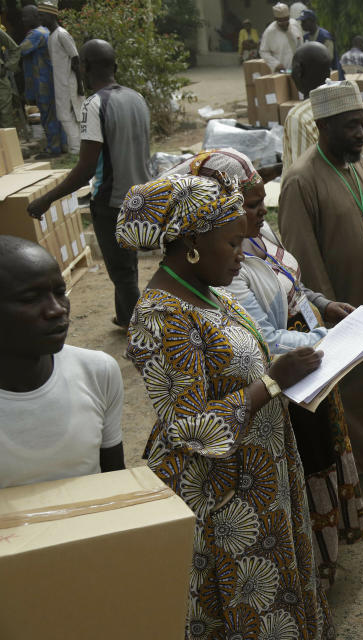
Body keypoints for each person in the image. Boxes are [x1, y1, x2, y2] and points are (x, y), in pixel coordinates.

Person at [118, 173, 335, 639]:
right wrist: (272, 384)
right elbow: (191, 426)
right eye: (233, 243)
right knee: (241, 602)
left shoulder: (210, 293)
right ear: (193, 242)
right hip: (221, 495)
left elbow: (240, 365)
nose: (243, 254)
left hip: (259, 474)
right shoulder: (161, 316)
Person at [164, 149, 363, 587]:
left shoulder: (246, 237)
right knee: (307, 464)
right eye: (248, 206)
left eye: (260, 204)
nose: (257, 215)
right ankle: (310, 571)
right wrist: (321, 345)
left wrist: (319, 304)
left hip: (302, 361)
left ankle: (320, 568)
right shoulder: (207, 283)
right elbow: (262, 343)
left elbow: (285, 277)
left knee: (320, 457)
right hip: (289, 369)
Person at [279, 81, 363, 474]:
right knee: (354, 384)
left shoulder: (355, 165)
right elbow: (303, 261)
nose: (360, 134)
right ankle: (360, 462)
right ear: (324, 125)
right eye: (351, 126)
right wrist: (327, 314)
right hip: (342, 305)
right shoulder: (301, 180)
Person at [27, 39, 149, 330]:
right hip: (143, 197)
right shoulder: (137, 98)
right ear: (115, 66)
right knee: (128, 267)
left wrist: (46, 199)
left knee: (122, 274)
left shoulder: (94, 105)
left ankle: (141, 337)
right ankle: (124, 318)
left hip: (112, 202)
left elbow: (85, 170)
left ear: (84, 67)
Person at [0, 235, 124, 489]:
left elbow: (115, 483)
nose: (57, 309)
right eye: (30, 299)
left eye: (59, 292)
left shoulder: (97, 372)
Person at [38, 1, 81, 155]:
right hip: (59, 83)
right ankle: (76, 148)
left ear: (51, 15)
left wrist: (80, 86)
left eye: (42, 16)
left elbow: (75, 59)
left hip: (69, 82)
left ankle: (77, 150)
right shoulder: (51, 37)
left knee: (70, 116)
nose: (40, 19)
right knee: (65, 116)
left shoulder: (62, 34)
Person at [19, 4, 61, 157]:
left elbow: (19, 51)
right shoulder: (45, 32)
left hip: (43, 81)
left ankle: (53, 148)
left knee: (47, 114)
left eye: (26, 16)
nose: (23, 20)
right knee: (52, 114)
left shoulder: (37, 34)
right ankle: (59, 145)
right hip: (45, 80)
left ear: (36, 17)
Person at [283, 41, 332, 169]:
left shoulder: (298, 117)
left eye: (292, 68)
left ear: (299, 71)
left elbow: (302, 177)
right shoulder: (342, 103)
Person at [260, 2, 303, 72]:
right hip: (282, 71)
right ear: (275, 19)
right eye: (281, 21)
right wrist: (275, 64)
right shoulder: (269, 32)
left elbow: (301, 45)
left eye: (286, 19)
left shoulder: (295, 24)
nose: (284, 23)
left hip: (298, 68)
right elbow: (263, 51)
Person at [299, 8, 338, 74]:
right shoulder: (305, 38)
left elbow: (329, 58)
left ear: (312, 21)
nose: (301, 24)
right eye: (301, 22)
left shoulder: (325, 37)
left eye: (304, 21)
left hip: (329, 74)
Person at [0, 21, 22, 130]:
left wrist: (7, 66)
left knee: (5, 116)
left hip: (1, 82)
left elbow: (15, 48)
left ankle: (8, 145)